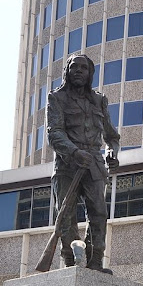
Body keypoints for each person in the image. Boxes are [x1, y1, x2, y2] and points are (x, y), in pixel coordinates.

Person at [46, 53, 120, 273]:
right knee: (66, 215)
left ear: (90, 74)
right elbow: (54, 133)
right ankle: (71, 261)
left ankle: (96, 260)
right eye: (74, 67)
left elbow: (112, 137)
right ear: (67, 72)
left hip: (94, 163)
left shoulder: (99, 100)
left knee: (98, 212)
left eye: (83, 68)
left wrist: (111, 154)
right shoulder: (57, 98)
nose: (78, 71)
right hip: (67, 163)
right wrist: (75, 152)